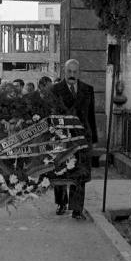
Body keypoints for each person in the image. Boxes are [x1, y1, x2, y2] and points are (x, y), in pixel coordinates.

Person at [51, 59, 98, 220]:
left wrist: (95, 138)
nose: (72, 75)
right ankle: (61, 203)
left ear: (79, 72)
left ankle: (77, 208)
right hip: (61, 138)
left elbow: (91, 115)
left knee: (81, 171)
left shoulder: (87, 90)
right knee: (60, 171)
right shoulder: (55, 90)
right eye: (69, 72)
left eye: (75, 72)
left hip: (83, 137)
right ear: (64, 72)